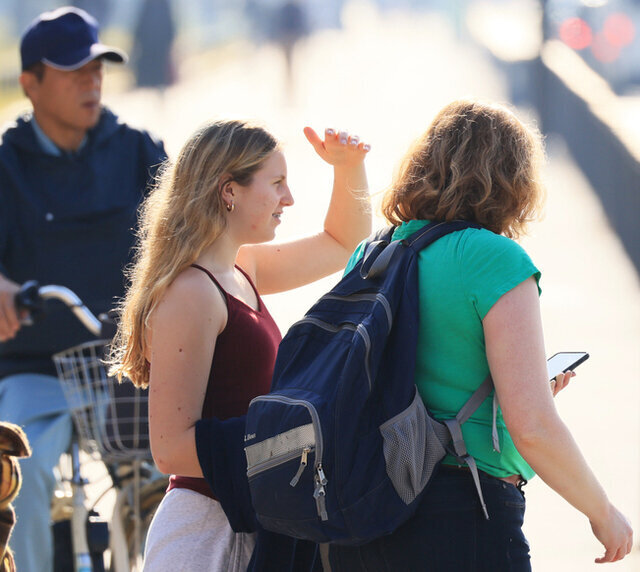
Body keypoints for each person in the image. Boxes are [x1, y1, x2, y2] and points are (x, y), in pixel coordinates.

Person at [329, 99, 633, 570]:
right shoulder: (494, 259)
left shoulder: (375, 252)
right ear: (515, 179)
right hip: (462, 510)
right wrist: (602, 511)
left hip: (368, 509)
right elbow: (531, 426)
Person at [109, 119, 371, 570]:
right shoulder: (192, 292)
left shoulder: (241, 267)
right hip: (206, 532)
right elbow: (170, 448)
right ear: (229, 191)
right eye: (276, 184)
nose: (288, 199)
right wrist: (298, 441)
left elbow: (344, 244)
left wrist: (349, 167)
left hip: (251, 520)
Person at [0, 7, 167, 571]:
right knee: (22, 482)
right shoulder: (4, 166)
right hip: (33, 367)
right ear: (30, 84)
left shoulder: (139, 151)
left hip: (129, 369)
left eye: (97, 68)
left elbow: (189, 237)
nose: (91, 81)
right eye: (74, 72)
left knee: (178, 474)